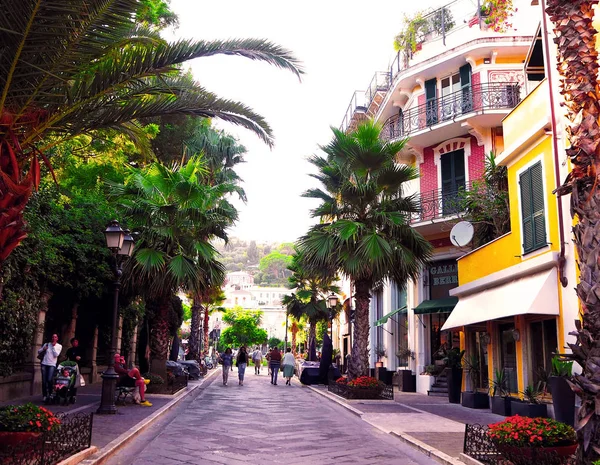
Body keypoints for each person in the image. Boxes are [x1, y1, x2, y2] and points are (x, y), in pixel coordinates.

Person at [38, 334, 62, 401]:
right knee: (44, 381)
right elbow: (39, 351)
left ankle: (51, 393)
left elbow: (56, 355)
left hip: (52, 364)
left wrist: (53, 347)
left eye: (55, 337)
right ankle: (45, 395)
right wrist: (43, 349)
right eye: (53, 337)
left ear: (57, 338)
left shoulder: (59, 346)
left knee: (49, 379)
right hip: (44, 364)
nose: (54, 338)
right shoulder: (47, 344)